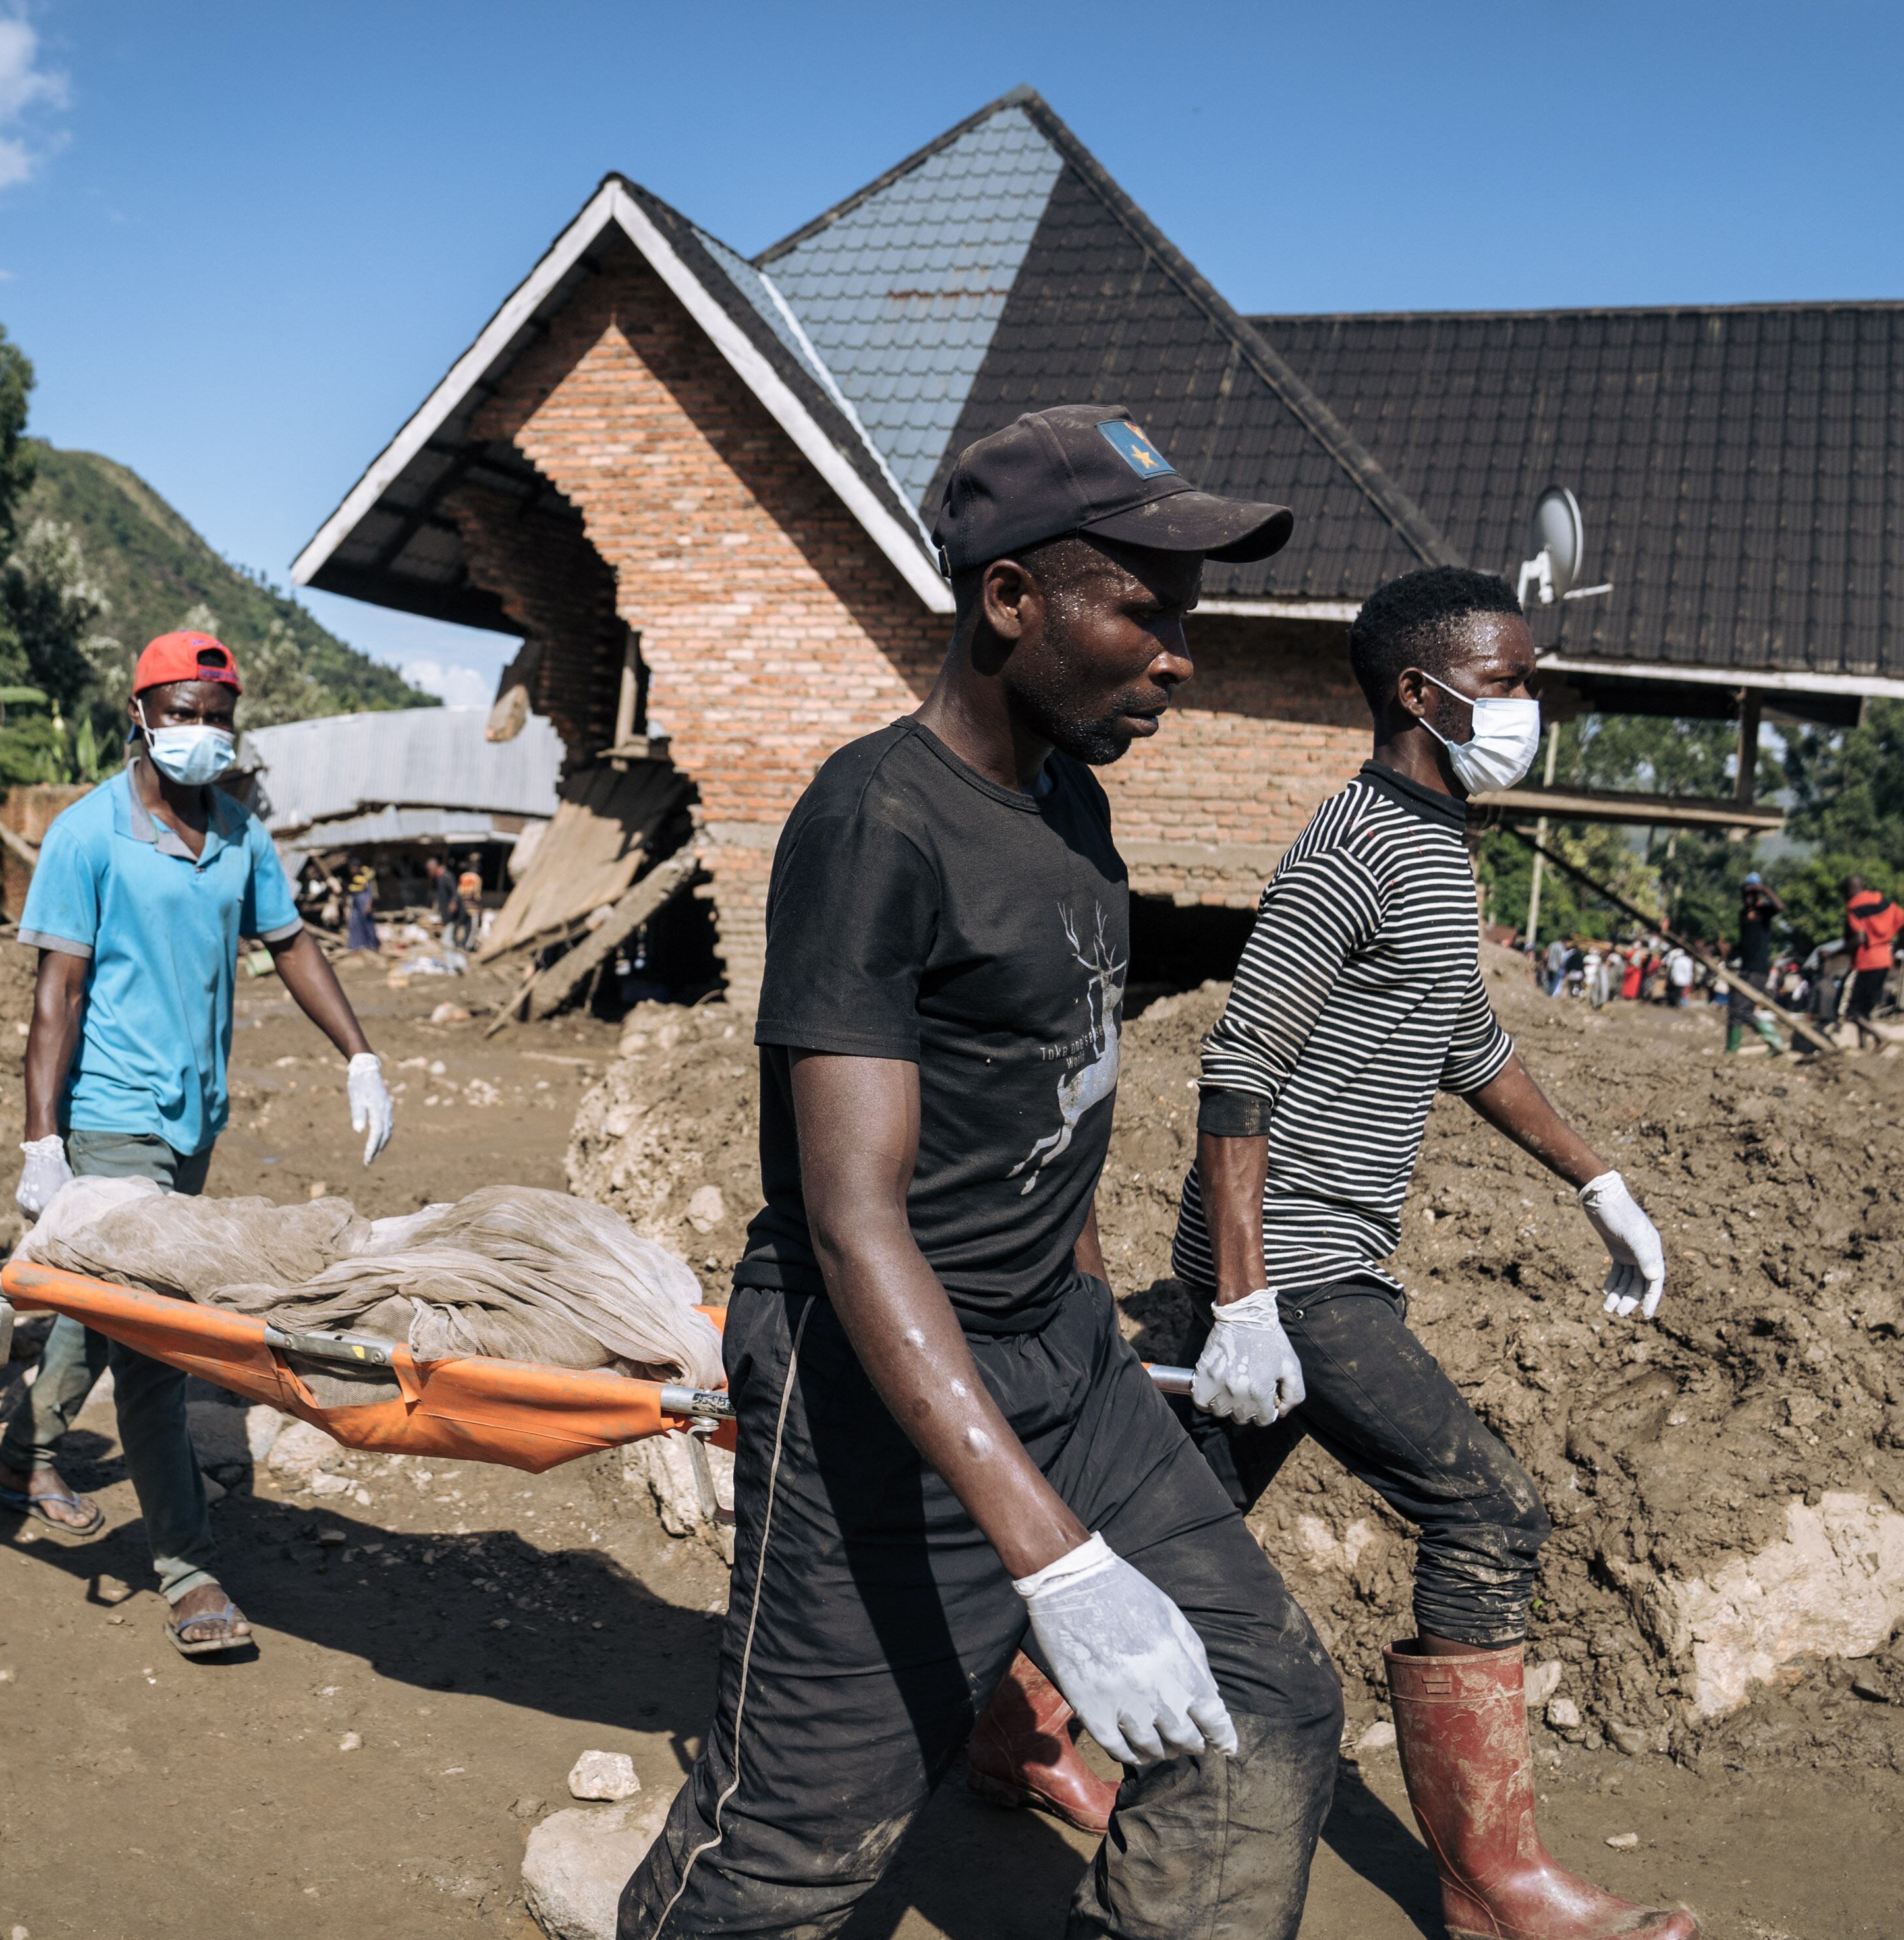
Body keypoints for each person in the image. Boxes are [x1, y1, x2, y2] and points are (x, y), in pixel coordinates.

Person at [622, 406, 1341, 1938]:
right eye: (1144, 610)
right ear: (1009, 598)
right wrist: (1055, 1561)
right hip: (876, 1386)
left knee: (1260, 1698)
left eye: (1187, 618)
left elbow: (1047, 1100)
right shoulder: (876, 822)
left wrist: (1101, 1346)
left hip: (1062, 1356)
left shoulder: (1072, 803)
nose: (1180, 656)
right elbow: (851, 1219)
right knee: (793, 1854)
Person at [1167, 565, 1694, 1940]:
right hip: (1296, 1265)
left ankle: (1013, 1730)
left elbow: (1466, 1039)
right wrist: (1244, 1302)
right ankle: (1492, 1885)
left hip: (1313, 1261)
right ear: (1421, 692)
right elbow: (1239, 1066)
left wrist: (1600, 1183)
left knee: (1173, 1515)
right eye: (1507, 682)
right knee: (1489, 1513)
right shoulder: (1352, 849)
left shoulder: (1435, 841)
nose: (1529, 708)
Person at [0, 628, 397, 1657]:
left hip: (195, 1116)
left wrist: (359, 1054)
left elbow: (290, 943)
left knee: (102, 1308)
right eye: (183, 713)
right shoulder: (88, 836)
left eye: (219, 718)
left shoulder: (238, 832)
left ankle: (23, 1449)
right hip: (112, 1116)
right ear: (140, 714)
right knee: (158, 1344)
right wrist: (42, 1140)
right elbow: (58, 997)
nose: (202, 733)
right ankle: (186, 1568)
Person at [1839, 876, 1904, 1027]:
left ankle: (1879, 1037)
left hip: (1867, 963)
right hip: (1885, 960)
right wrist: (1896, 949)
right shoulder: (1881, 900)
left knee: (1853, 1011)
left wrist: (1836, 953)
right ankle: (1866, 1041)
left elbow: (1859, 938)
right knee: (1865, 1011)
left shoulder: (1853, 905)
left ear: (1849, 890)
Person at [1726, 874, 1784, 1054]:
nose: (1748, 897)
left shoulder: (1764, 911)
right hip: (1745, 968)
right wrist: (1731, 949)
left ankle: (1775, 1042)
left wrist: (1764, 889)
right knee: (1736, 1010)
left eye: (1752, 893)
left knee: (1742, 1010)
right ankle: (1731, 1050)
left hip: (1758, 970)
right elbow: (1745, 944)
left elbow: (1780, 907)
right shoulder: (1743, 914)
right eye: (1746, 893)